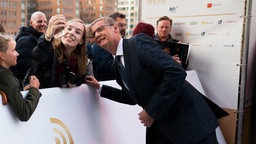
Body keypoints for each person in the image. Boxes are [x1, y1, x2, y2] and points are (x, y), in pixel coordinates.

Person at [86, 17, 219, 144]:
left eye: (100, 29)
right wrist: (100, 87)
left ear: (115, 28)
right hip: (164, 129)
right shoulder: (117, 63)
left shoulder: (137, 42)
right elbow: (132, 97)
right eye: (93, 33)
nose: (97, 34)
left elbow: (175, 72)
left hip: (190, 124)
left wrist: (151, 111)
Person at [31, 14, 93, 88]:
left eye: (77, 32)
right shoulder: (49, 51)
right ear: (62, 31)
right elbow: (37, 55)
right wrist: (47, 37)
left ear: (81, 41)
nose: (71, 33)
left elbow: (89, 87)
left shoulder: (85, 63)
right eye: (69, 29)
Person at [0, 34, 41, 121]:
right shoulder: (5, 77)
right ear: (2, 55)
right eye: (14, 50)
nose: (17, 53)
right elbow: (24, 113)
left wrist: (22, 91)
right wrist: (34, 89)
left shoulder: (5, 74)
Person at [11, 11, 47, 83]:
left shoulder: (38, 39)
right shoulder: (26, 40)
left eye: (45, 22)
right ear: (31, 23)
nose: (43, 24)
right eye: (39, 21)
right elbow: (23, 69)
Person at [91, 12, 127, 81]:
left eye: (125, 25)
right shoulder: (101, 45)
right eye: (120, 25)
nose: (124, 28)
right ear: (115, 27)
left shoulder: (129, 44)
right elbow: (107, 69)